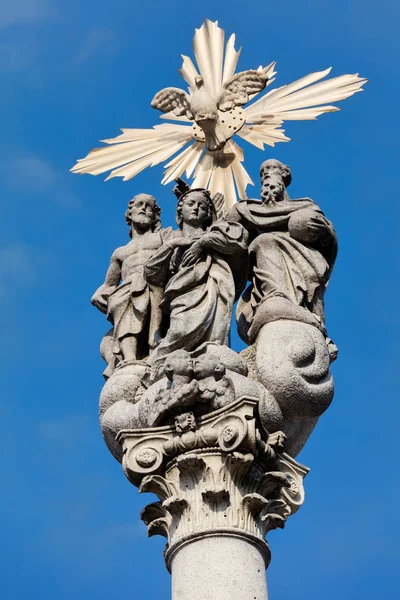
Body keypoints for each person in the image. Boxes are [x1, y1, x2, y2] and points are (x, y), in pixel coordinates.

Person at [226, 159, 337, 353]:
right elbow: (225, 230)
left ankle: (319, 330)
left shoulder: (305, 206)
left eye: (271, 168)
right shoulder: (247, 209)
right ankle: (277, 298)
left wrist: (325, 232)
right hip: (266, 260)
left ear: (285, 173)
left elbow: (329, 239)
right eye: (262, 173)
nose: (266, 174)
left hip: (304, 257)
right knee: (263, 241)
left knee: (314, 273)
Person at [144, 187, 248, 367]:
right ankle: (155, 367)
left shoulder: (216, 231)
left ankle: (209, 364)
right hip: (182, 295)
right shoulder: (172, 239)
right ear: (180, 211)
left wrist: (202, 243)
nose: (196, 208)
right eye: (191, 204)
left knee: (215, 337)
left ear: (208, 213)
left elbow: (240, 241)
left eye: (202, 205)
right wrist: (173, 244)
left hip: (213, 288)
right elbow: (151, 272)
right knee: (179, 331)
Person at [91, 193, 173, 373]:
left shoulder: (163, 237)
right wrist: (98, 295)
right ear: (130, 213)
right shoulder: (120, 252)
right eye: (139, 205)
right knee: (122, 298)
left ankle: (155, 341)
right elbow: (109, 285)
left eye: (149, 206)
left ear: (155, 215)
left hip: (157, 284)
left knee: (144, 286)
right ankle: (129, 358)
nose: (144, 208)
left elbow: (189, 237)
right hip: (128, 290)